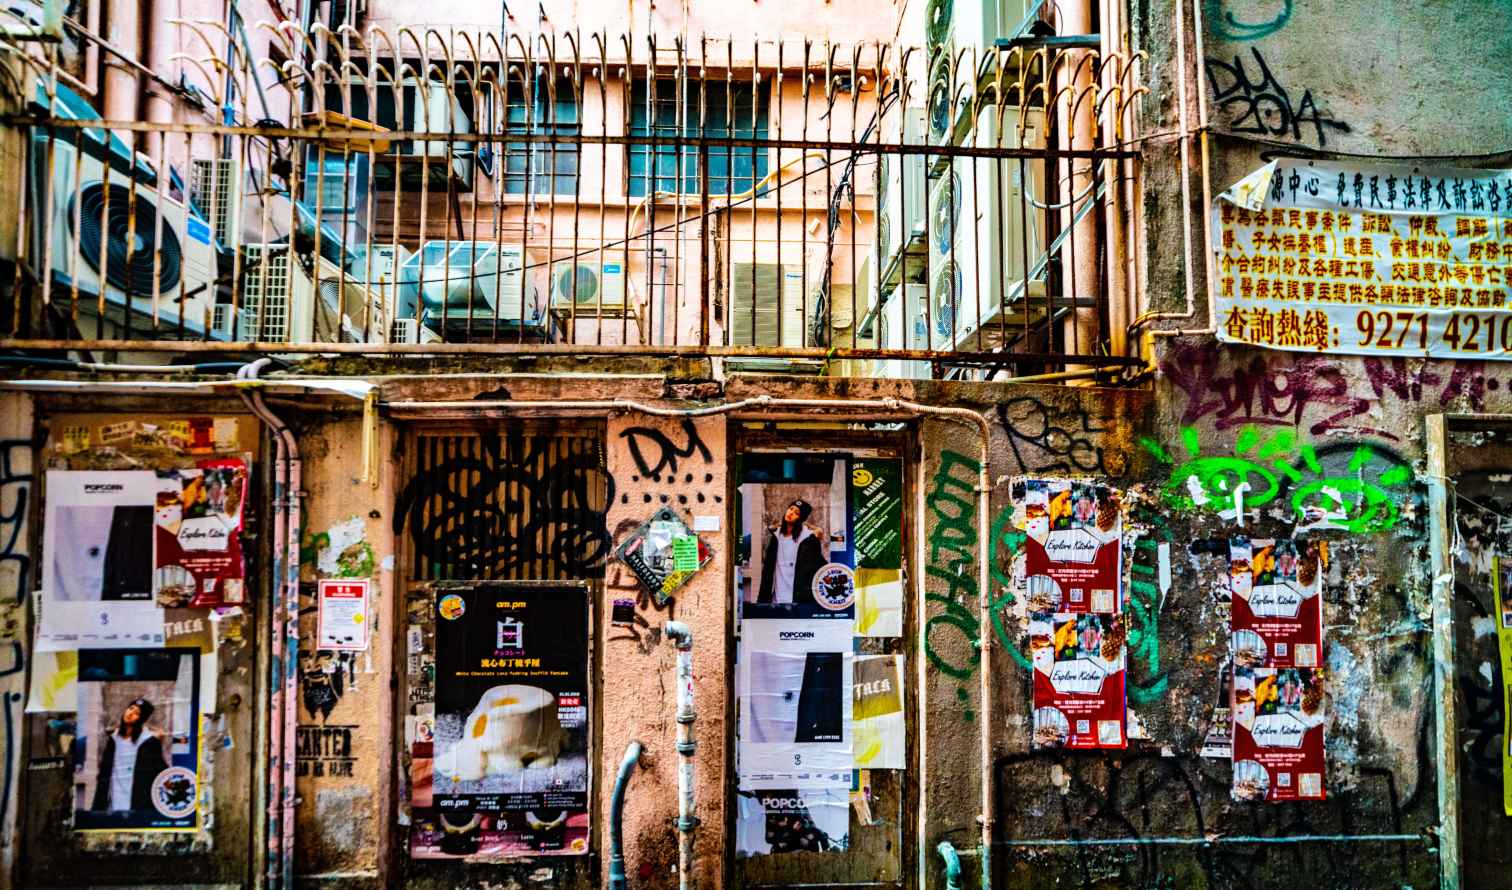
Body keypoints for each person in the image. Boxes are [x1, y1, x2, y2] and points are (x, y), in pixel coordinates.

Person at [90, 697, 168, 813]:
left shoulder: (149, 741)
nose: (131, 713)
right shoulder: (113, 739)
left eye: (137, 713)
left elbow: (160, 769)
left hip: (137, 804)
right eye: (131, 708)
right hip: (112, 802)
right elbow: (104, 773)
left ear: (142, 719)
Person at [757, 499, 826, 607]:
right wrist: (762, 601)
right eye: (791, 509)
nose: (791, 513)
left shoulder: (809, 538)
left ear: (801, 518)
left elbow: (818, 566)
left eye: (796, 513)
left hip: (799, 601)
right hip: (776, 600)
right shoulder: (775, 537)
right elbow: (767, 570)